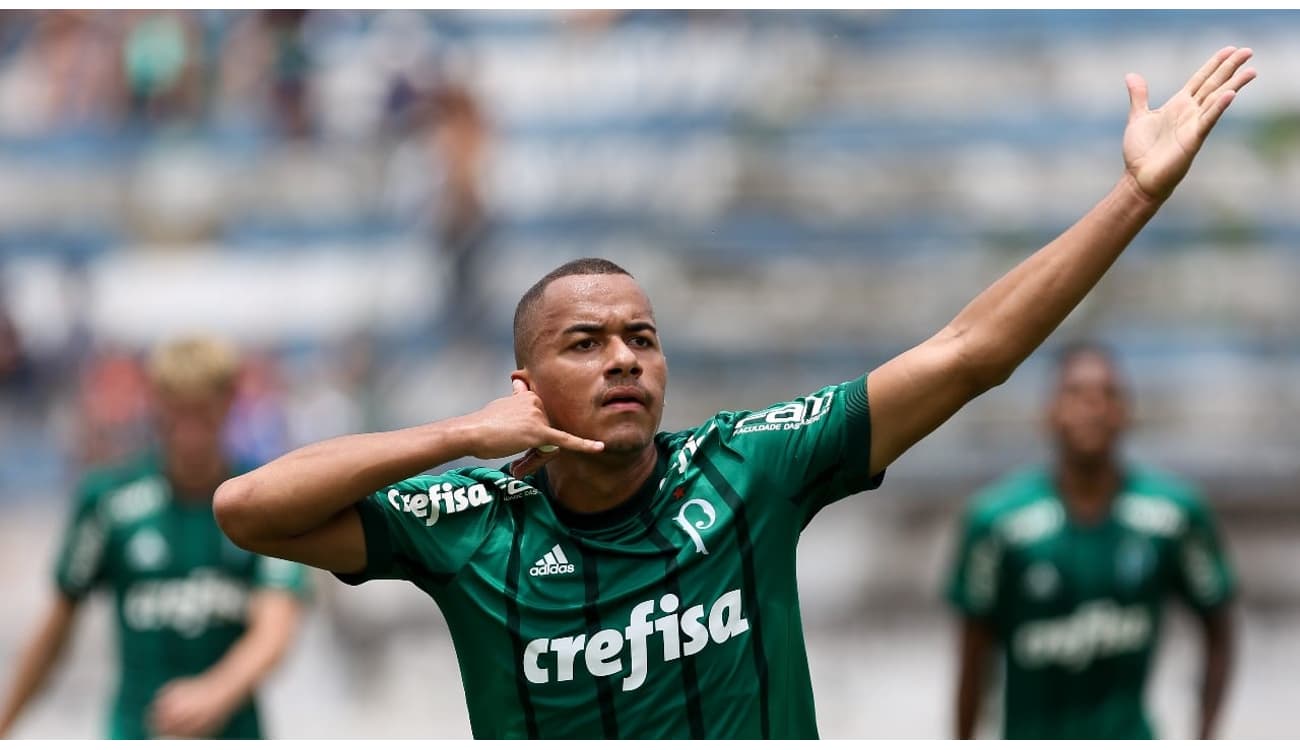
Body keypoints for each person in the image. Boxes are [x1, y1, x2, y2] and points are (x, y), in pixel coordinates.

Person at [214, 47, 1256, 739]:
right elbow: (247, 509)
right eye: (587, 343)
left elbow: (968, 353)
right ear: (527, 386)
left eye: (642, 337)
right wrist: (457, 436)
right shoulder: (470, 525)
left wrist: (1132, 196)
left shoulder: (747, 464)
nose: (625, 358)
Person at [0, 335, 312, 740]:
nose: (190, 431)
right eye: (178, 413)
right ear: (156, 406)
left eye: (203, 412)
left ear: (229, 403)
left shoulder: (265, 499)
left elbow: (276, 628)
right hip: (135, 732)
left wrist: (217, 691)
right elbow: (55, 628)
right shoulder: (108, 502)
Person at [945, 342, 1235, 740]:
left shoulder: (1175, 515)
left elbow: (1219, 630)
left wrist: (1205, 736)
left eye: (1107, 395)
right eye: (1076, 393)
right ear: (1049, 413)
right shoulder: (995, 522)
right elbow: (973, 661)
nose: (1092, 407)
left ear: (1125, 413)